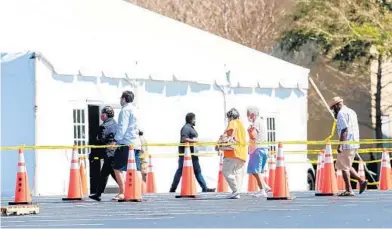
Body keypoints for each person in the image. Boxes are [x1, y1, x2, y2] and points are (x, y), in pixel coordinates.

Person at [329, 96, 368, 196]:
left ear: (337, 105)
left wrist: (341, 144)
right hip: (354, 141)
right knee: (346, 165)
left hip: (347, 143)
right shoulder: (351, 111)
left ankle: (353, 186)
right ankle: (353, 186)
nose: (334, 110)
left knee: (344, 166)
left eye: (334, 108)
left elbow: (344, 130)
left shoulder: (341, 114)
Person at [170, 113, 215, 193]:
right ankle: (173, 188)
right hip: (186, 155)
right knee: (180, 170)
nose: (195, 121)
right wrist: (195, 141)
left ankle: (204, 187)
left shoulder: (190, 128)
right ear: (191, 119)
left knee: (197, 170)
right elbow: (184, 139)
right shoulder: (186, 128)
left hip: (193, 153)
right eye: (194, 119)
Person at [111, 91, 141, 201]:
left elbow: (122, 128)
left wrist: (115, 140)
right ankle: (137, 191)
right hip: (136, 143)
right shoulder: (135, 109)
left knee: (117, 167)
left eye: (121, 98)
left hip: (126, 143)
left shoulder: (125, 110)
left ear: (124, 99)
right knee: (136, 169)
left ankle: (123, 192)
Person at [216, 108, 247, 199]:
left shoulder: (233, 123)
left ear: (230, 117)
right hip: (242, 153)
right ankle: (237, 192)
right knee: (238, 173)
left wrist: (219, 143)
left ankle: (235, 190)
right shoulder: (242, 125)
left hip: (232, 152)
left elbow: (229, 134)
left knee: (227, 171)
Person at [89, 106, 118, 201]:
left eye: (103, 113)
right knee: (106, 173)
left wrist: (93, 153)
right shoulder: (115, 124)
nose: (101, 115)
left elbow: (101, 141)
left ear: (107, 114)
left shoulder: (104, 126)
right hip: (115, 151)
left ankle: (125, 189)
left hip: (108, 152)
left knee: (110, 172)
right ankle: (98, 194)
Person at [246, 106, 271, 197]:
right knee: (256, 170)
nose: (247, 116)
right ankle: (265, 187)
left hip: (257, 148)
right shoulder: (262, 121)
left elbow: (253, 136)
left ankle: (262, 191)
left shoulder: (256, 122)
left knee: (256, 170)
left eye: (248, 114)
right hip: (264, 148)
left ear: (252, 114)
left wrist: (249, 130)